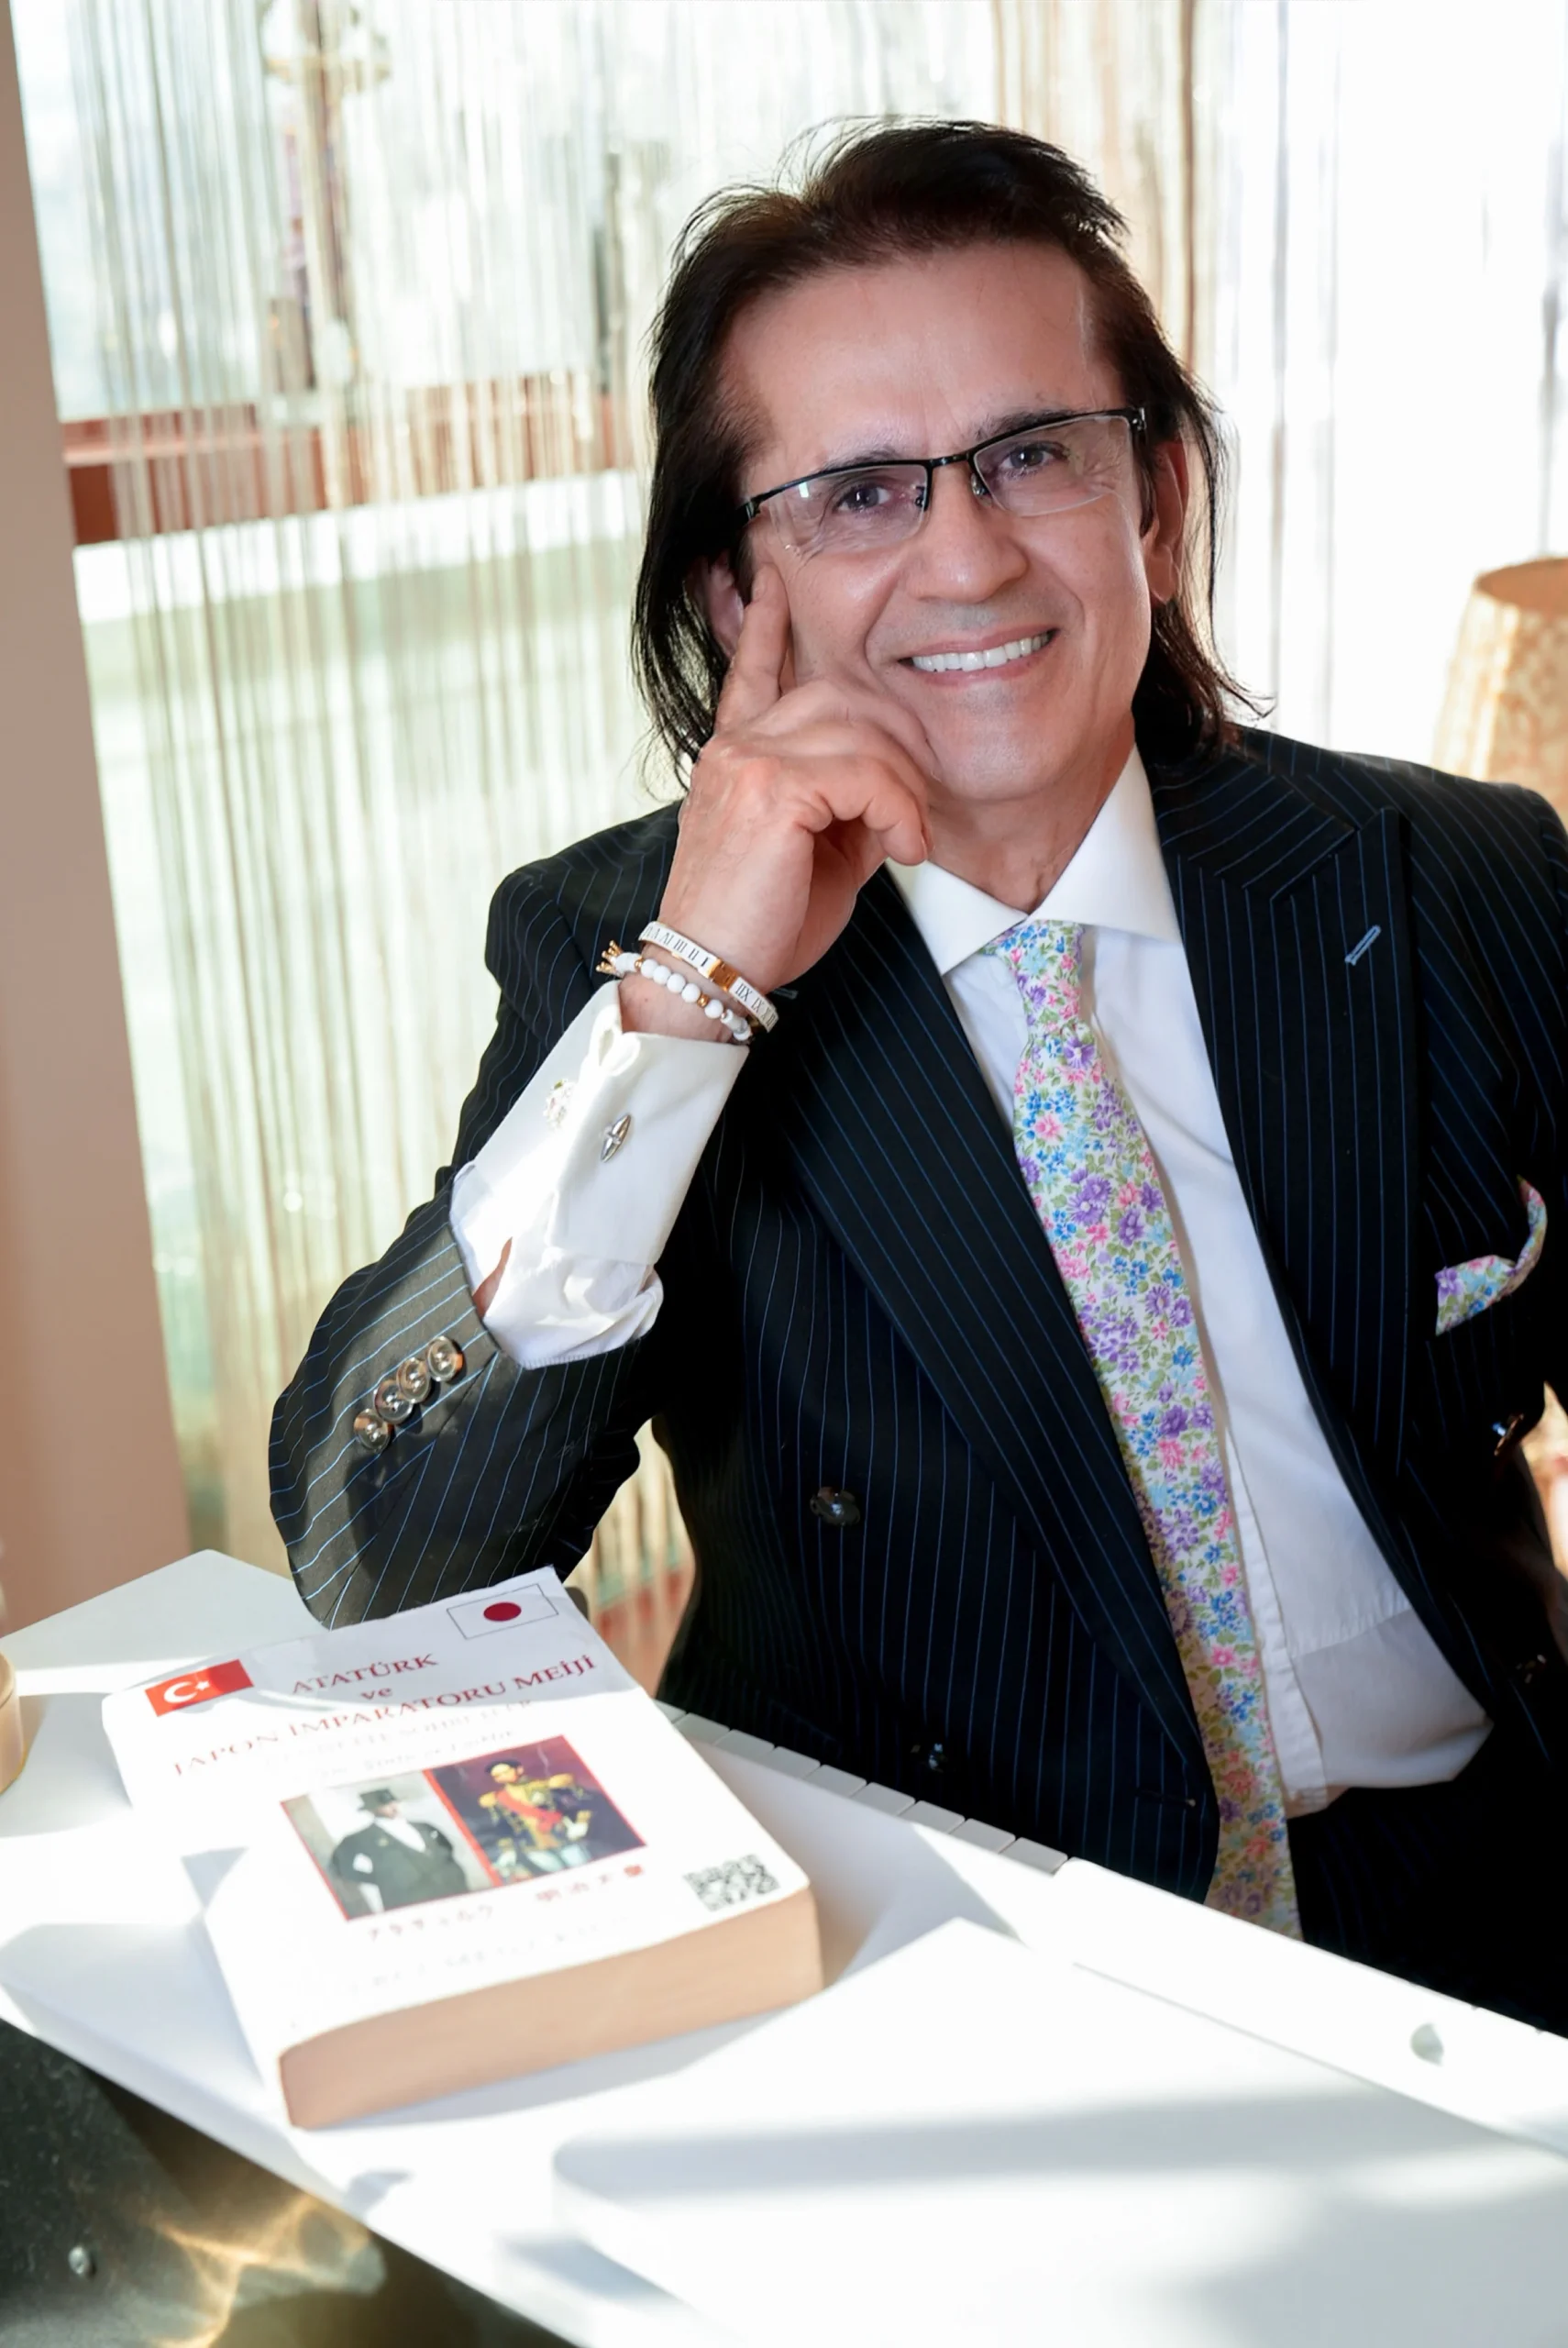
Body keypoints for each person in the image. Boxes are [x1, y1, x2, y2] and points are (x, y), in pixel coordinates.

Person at [273, 122, 1568, 2030]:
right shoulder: (618, 952)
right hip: (944, 1956)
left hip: (1481, 1908)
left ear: (1156, 501)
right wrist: (695, 995)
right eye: (861, 493)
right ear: (737, 594)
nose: (968, 556)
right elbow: (378, 1563)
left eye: (1035, 453)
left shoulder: (1458, 875)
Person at [327, 1789, 473, 1912]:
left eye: (393, 1802)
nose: (392, 1807)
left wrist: (452, 1873)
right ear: (372, 1810)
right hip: (409, 1899)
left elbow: (447, 1848)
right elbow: (341, 1866)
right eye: (384, 1805)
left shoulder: (423, 1826)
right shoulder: (361, 1837)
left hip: (451, 1889)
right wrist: (381, 1879)